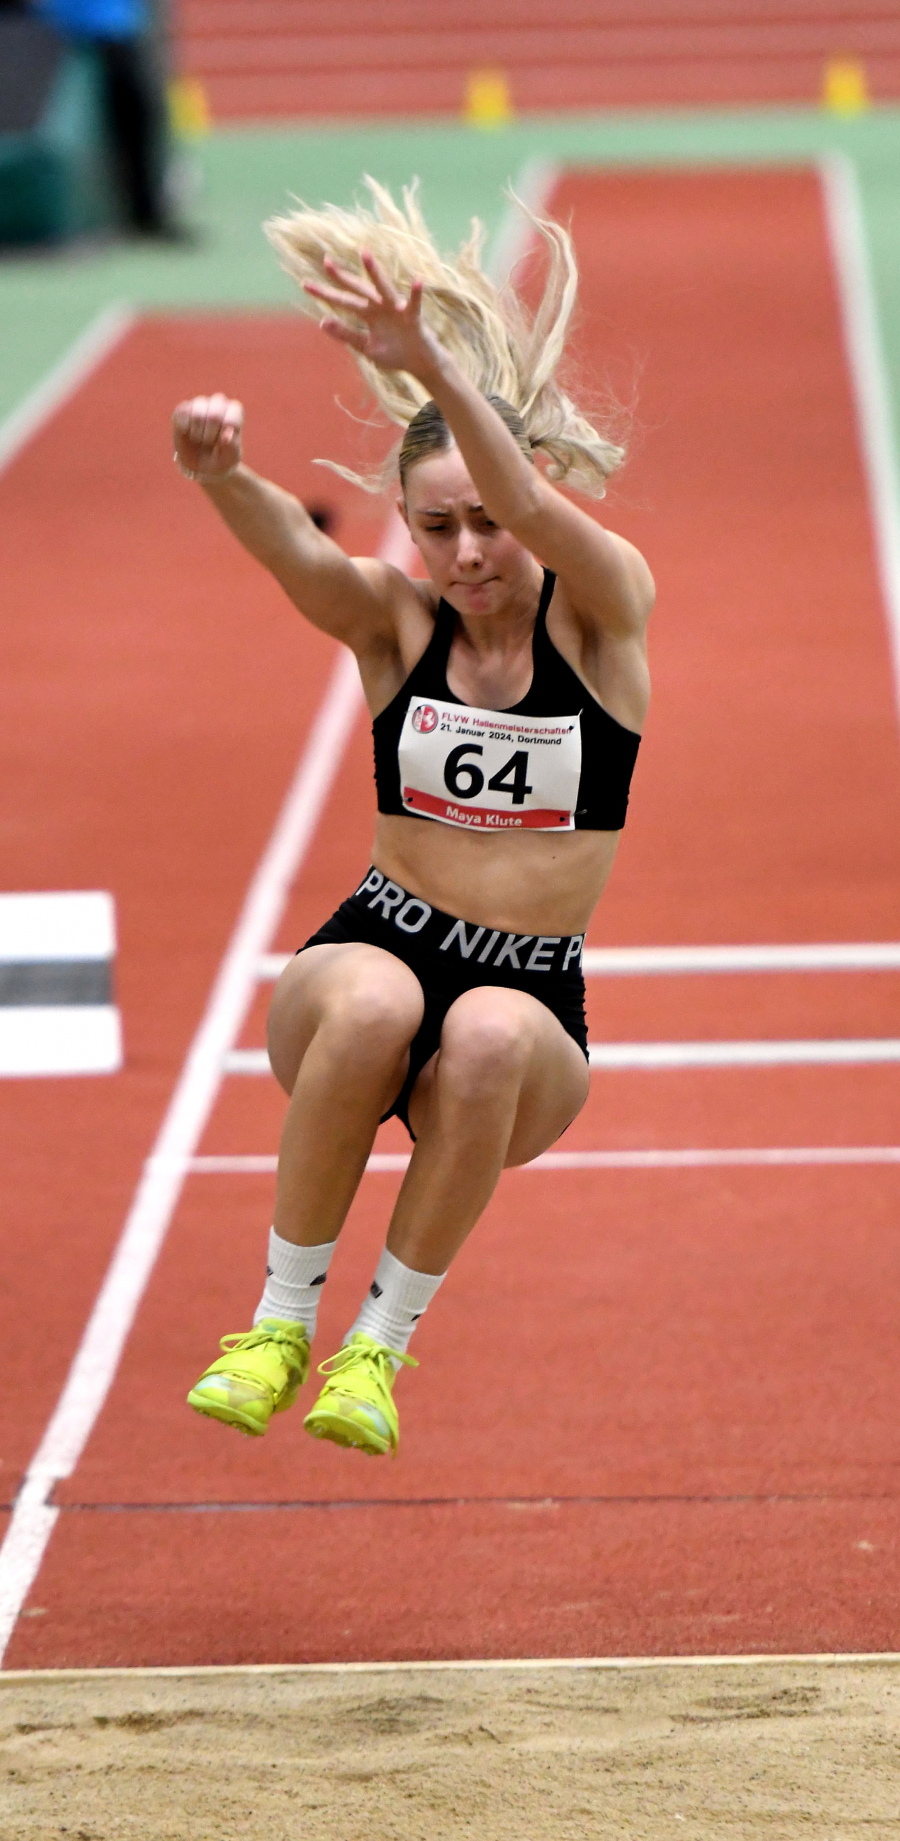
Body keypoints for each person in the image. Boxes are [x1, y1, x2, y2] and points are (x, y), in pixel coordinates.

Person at [176, 180, 653, 1459]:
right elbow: (303, 557)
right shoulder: (399, 623)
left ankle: (375, 1348)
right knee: (384, 1002)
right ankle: (278, 1323)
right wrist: (222, 476)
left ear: (530, 498)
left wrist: (428, 357)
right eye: (436, 527)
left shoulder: (600, 617)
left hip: (533, 996)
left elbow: (547, 518)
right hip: (372, 949)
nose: (467, 552)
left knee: (490, 1032)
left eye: (487, 521)